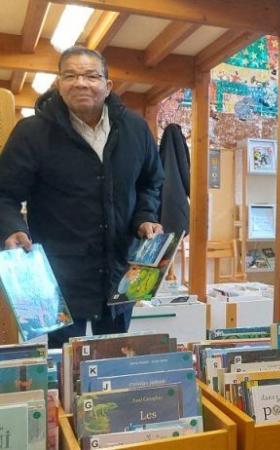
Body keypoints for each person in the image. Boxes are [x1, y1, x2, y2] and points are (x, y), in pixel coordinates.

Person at [0, 46, 164, 347]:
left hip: (118, 270)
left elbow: (151, 182)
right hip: (59, 274)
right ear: (59, 83)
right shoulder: (33, 133)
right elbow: (4, 193)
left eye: (91, 75)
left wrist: (145, 217)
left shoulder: (135, 130)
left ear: (107, 85)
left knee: (115, 357)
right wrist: (12, 226)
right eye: (70, 75)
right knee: (61, 362)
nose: (81, 83)